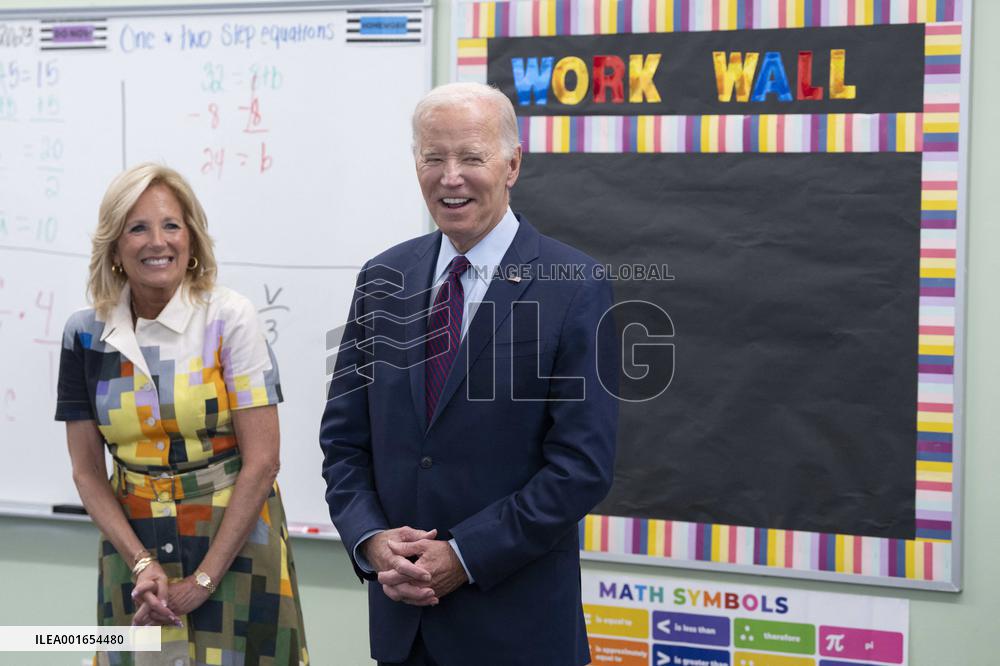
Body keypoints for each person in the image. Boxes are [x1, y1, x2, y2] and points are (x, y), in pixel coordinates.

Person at [320, 82, 619, 665]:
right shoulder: (382, 278)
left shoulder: (575, 286)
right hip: (403, 628)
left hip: (518, 632)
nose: (450, 177)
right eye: (433, 158)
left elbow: (582, 467)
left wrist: (464, 555)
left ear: (512, 165)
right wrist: (371, 541)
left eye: (471, 158)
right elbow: (344, 442)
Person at [55, 163, 309, 666]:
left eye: (171, 225)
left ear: (190, 237)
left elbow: (263, 462)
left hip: (236, 545)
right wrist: (140, 562)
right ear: (114, 247)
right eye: (138, 228)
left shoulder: (228, 318)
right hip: (133, 552)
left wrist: (203, 581)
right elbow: (86, 472)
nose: (158, 242)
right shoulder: (84, 335)